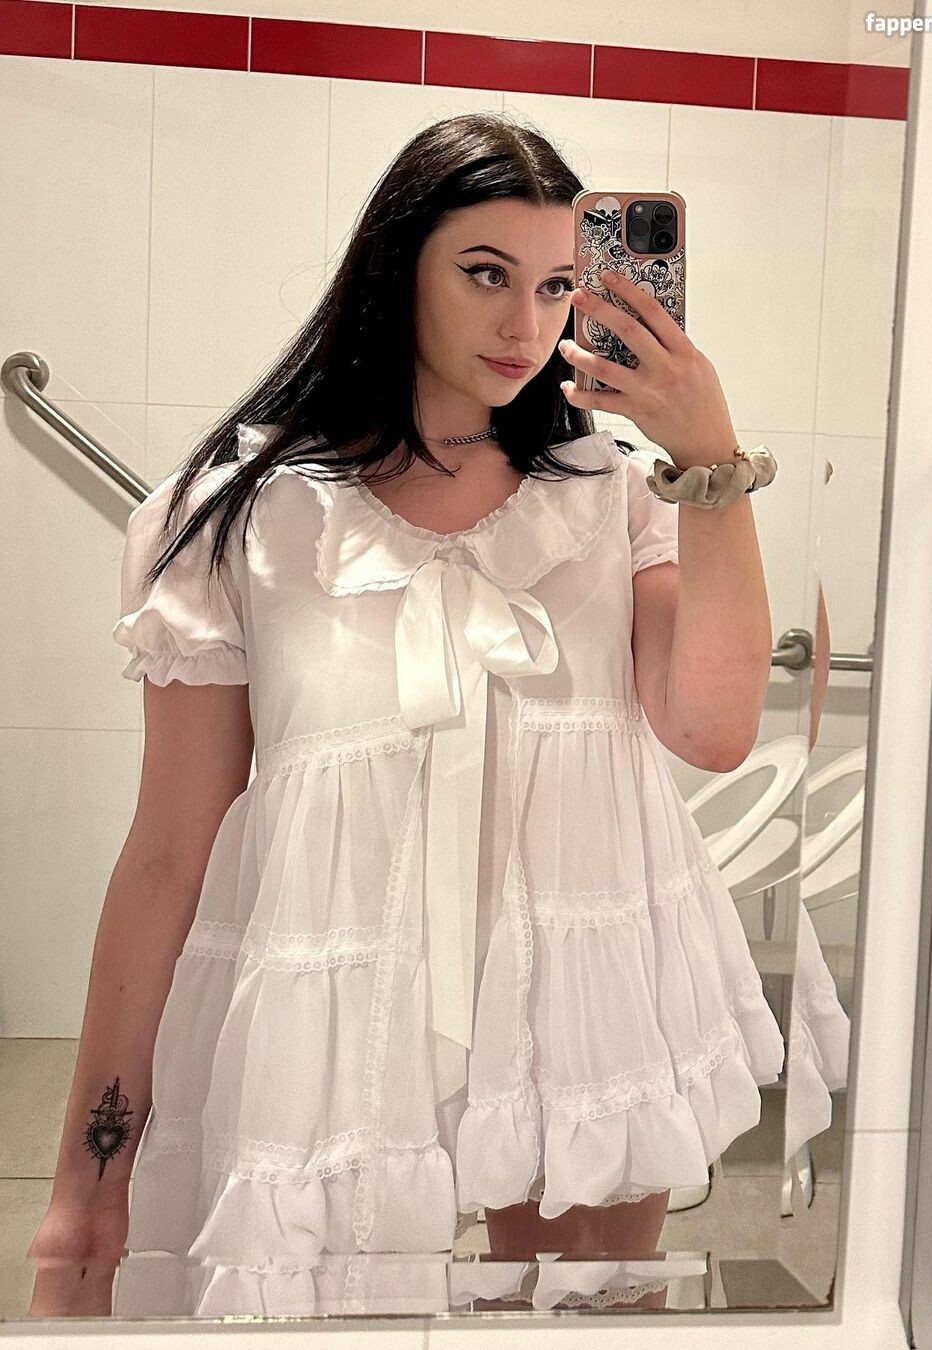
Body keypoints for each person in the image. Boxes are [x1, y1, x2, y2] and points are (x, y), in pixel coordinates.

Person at [27, 111, 785, 1318]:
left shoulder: (614, 500)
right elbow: (169, 855)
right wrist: (87, 1182)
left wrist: (712, 464)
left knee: (585, 1324)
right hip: (338, 1027)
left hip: (577, 1010)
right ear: (397, 267)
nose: (525, 324)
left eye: (557, 285)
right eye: (485, 274)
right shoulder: (241, 519)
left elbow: (714, 727)